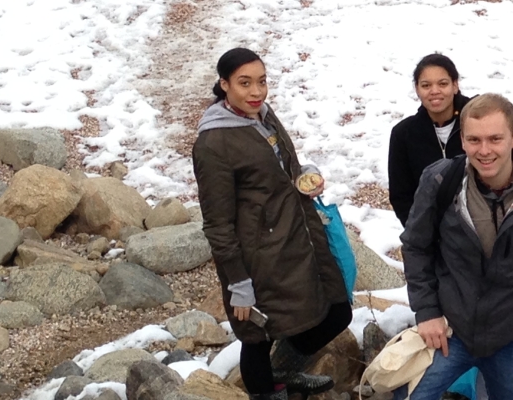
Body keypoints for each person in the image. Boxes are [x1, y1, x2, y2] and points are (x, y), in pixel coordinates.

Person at [398, 93, 513, 400]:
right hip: (450, 331)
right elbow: (416, 247)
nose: (484, 151)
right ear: (463, 140)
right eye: (474, 140)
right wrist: (427, 311)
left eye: (495, 139)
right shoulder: (440, 181)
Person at [193, 47, 352, 400]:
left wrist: (303, 175)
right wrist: (238, 281)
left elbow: (281, 168)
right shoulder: (213, 142)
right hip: (258, 257)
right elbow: (217, 223)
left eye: (261, 82)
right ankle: (267, 390)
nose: (256, 92)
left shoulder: (263, 116)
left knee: (337, 310)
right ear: (224, 85)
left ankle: (282, 372)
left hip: (297, 238)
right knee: (257, 334)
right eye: (244, 83)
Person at [389, 53, 475, 225]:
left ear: (455, 85)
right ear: (417, 89)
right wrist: (419, 233)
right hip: (431, 233)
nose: (434, 91)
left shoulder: (477, 120)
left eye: (442, 84)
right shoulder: (404, 134)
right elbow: (401, 196)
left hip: (479, 226)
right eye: (426, 85)